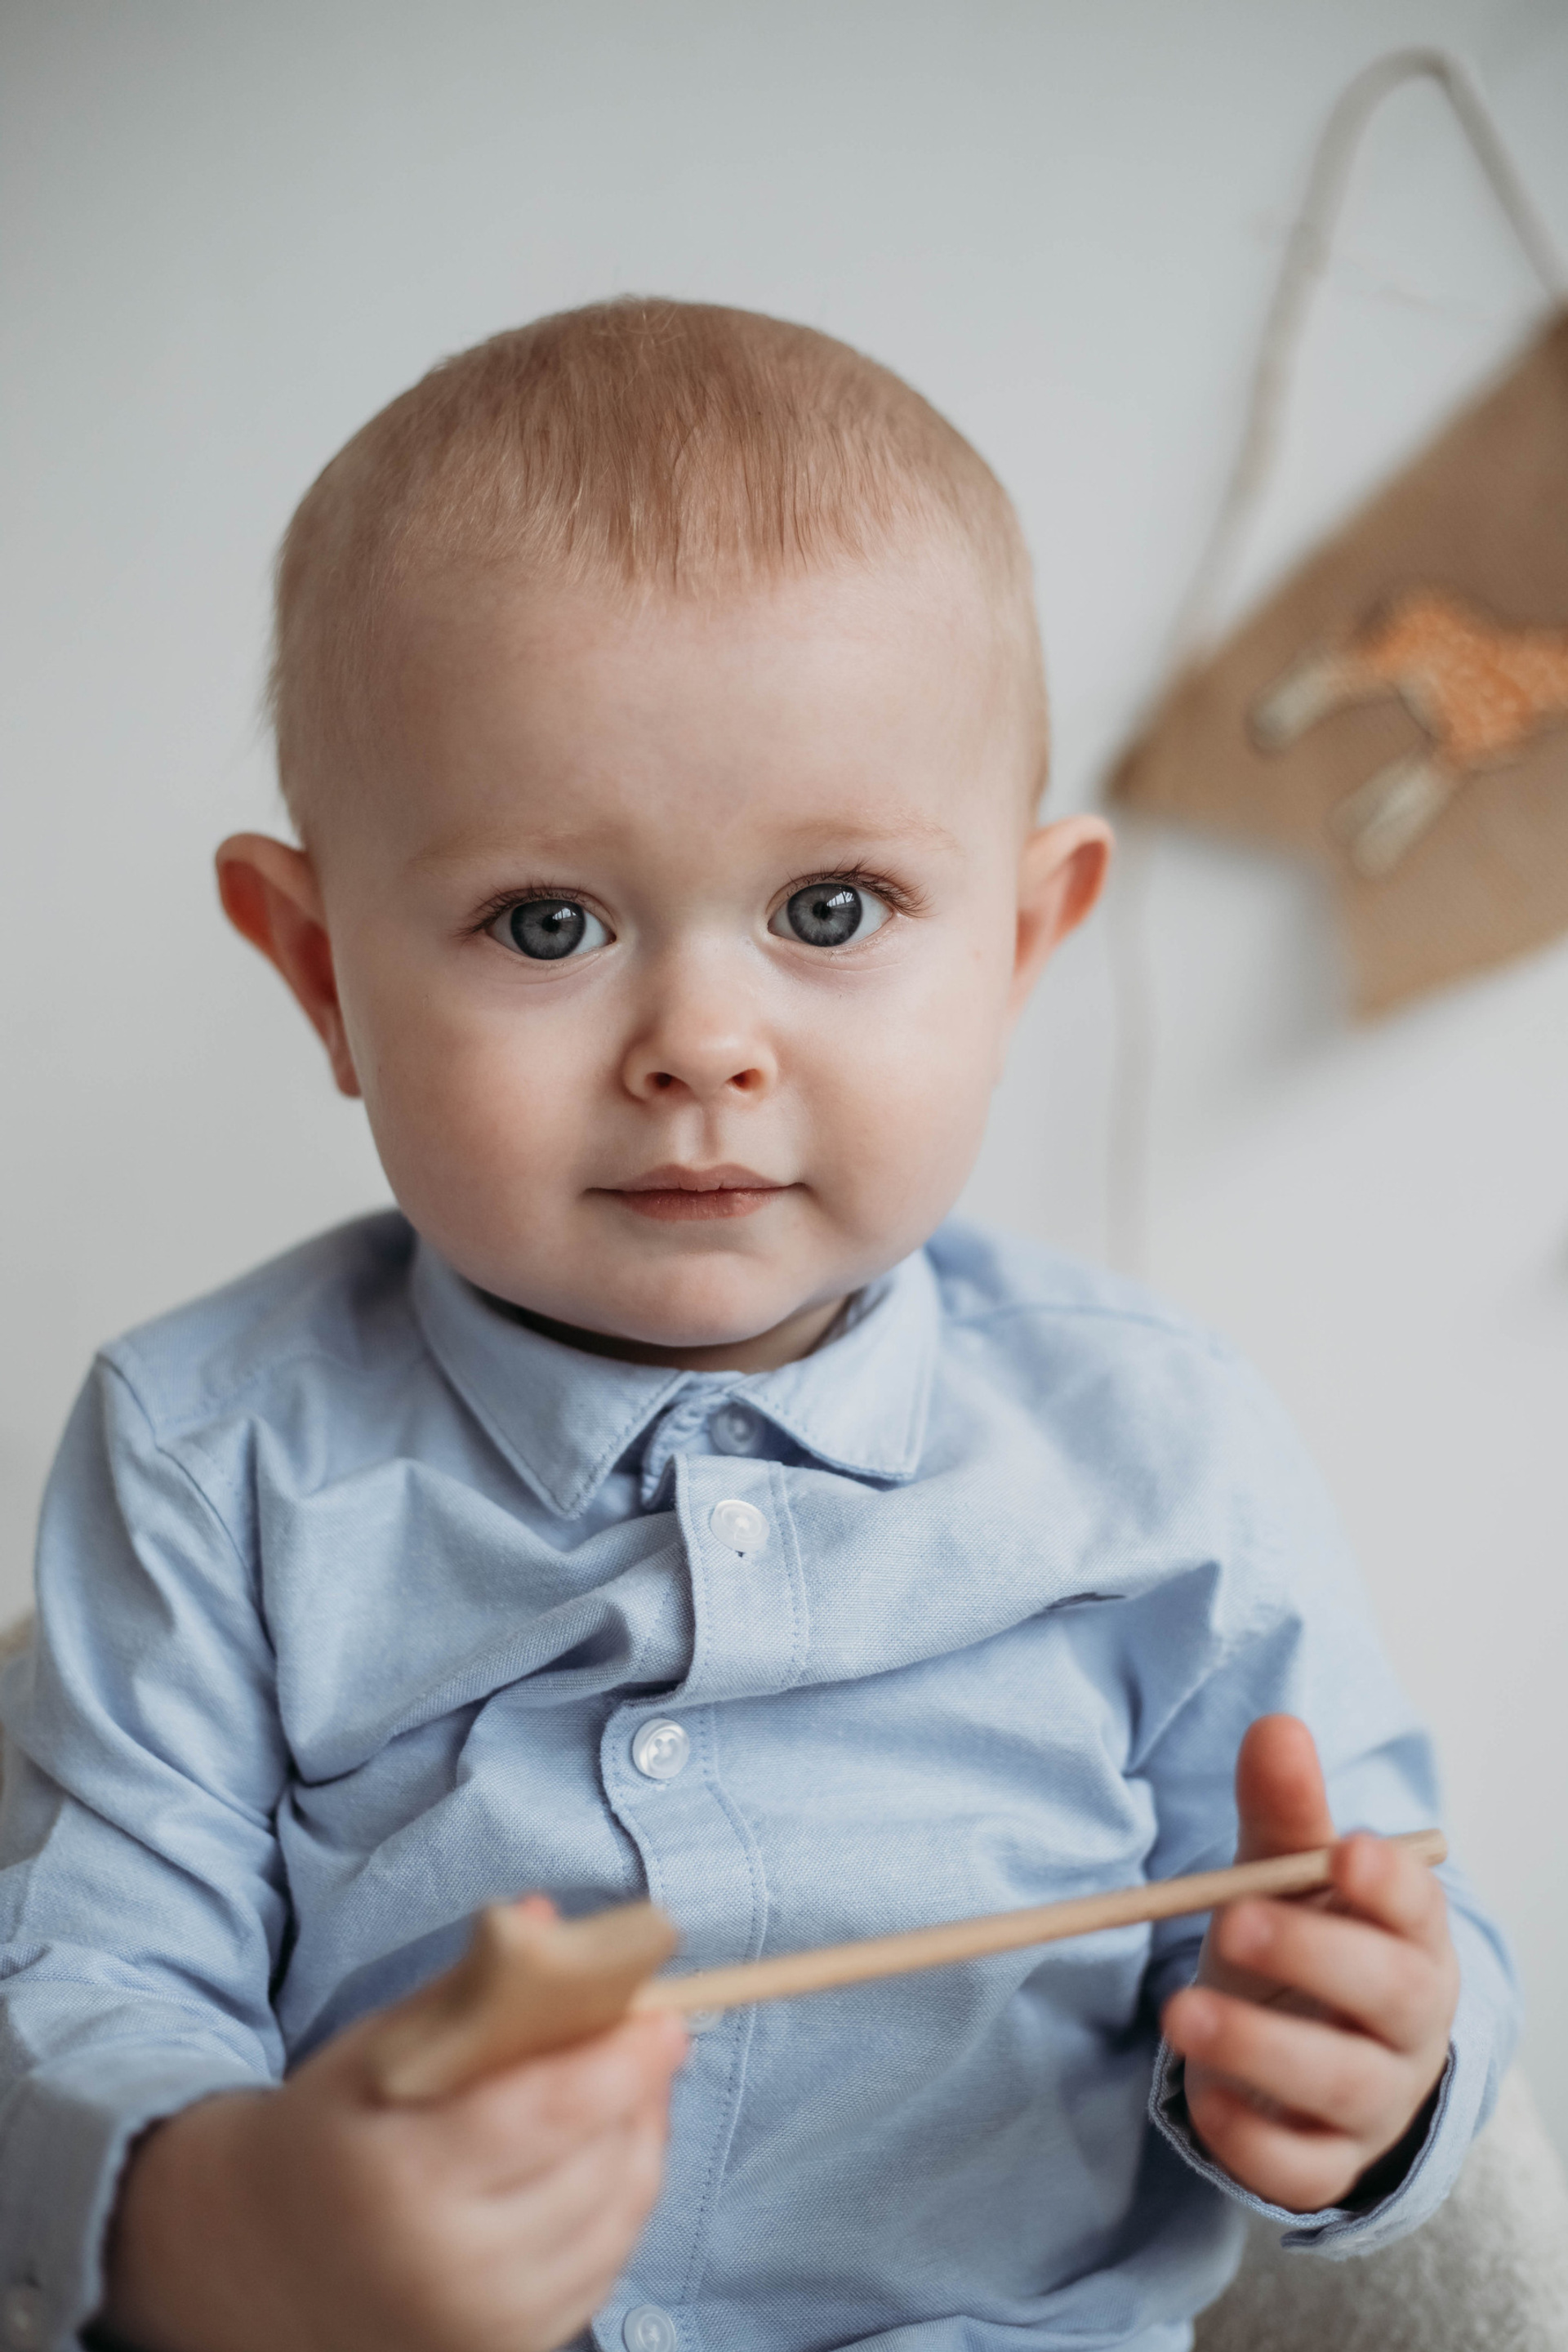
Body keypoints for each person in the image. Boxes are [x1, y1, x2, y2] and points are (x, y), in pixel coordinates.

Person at [0, 300, 1514, 2352]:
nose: (702, 1047)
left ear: (1020, 941)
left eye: (830, 911)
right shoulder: (211, 1453)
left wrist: (1366, 2067)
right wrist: (238, 2225)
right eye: (549, 923)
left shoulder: (1161, 1450)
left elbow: (1368, 1910)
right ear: (319, 969)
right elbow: (87, 1981)